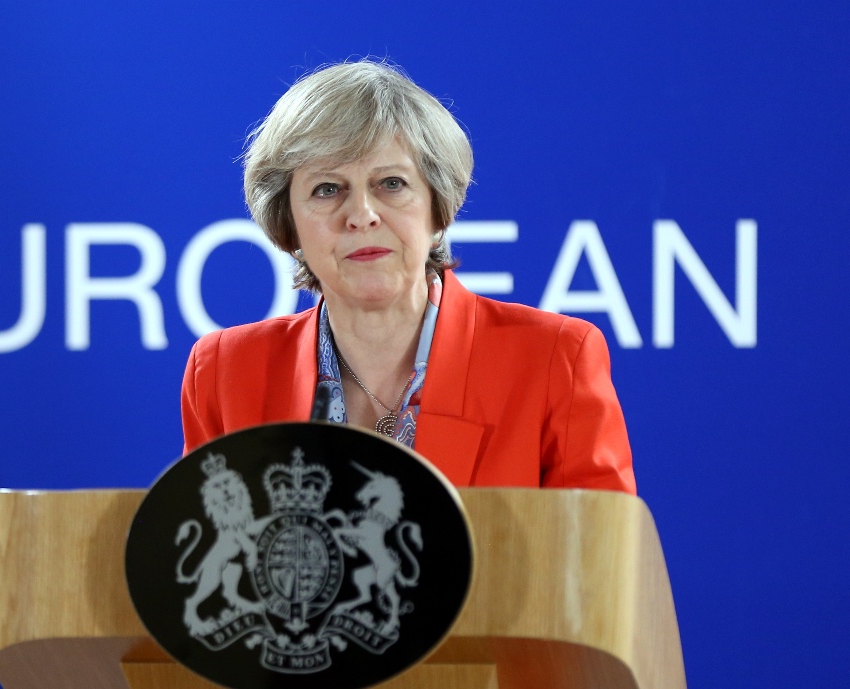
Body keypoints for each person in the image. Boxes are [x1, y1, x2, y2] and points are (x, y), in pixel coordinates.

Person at [181, 60, 635, 493]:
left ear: (438, 208)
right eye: (327, 189)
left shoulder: (553, 360)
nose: (361, 215)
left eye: (391, 183)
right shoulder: (225, 372)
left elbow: (602, 564)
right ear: (288, 222)